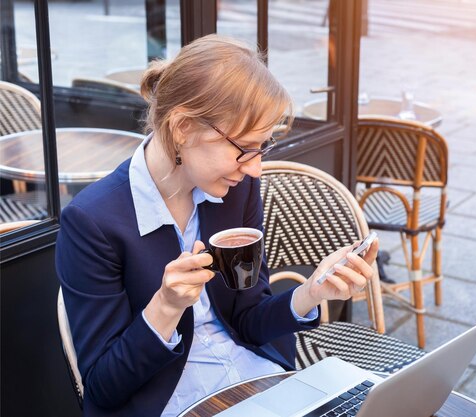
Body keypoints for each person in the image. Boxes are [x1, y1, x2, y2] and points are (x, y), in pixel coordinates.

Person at [56, 34, 378, 417]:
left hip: (255, 382)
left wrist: (311, 292)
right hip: (168, 402)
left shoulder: (236, 191)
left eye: (263, 148)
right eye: (244, 149)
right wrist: (166, 306)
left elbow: (247, 318)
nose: (256, 168)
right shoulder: (92, 221)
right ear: (183, 128)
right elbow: (103, 387)